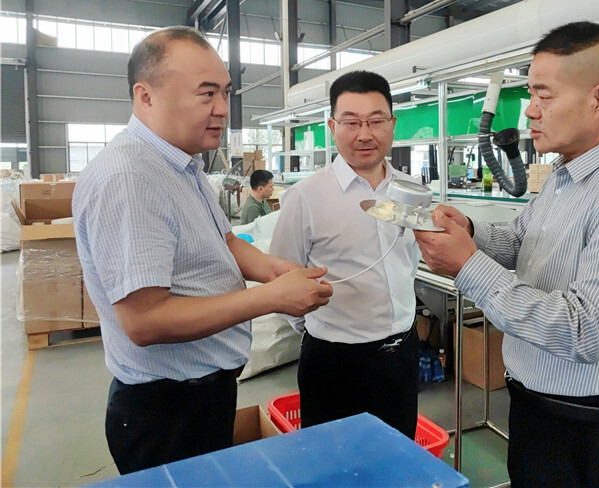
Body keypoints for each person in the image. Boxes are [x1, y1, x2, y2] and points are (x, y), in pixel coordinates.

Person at [415, 21, 599, 487]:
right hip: (535, 407)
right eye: (530, 94)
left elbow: (585, 332)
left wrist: (467, 265)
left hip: (584, 425)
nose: (530, 111)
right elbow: (520, 242)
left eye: (544, 95)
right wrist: (470, 231)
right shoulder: (565, 174)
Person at [72, 26, 333, 475]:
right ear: (145, 97)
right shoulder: (131, 179)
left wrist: (274, 270)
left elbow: (224, 241)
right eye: (206, 94)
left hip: (203, 394)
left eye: (226, 93)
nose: (223, 109)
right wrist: (271, 298)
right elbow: (146, 320)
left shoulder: (182, 163)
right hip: (168, 410)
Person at [269, 70, 421, 438]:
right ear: (332, 127)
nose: (364, 134)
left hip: (402, 354)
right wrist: (321, 333)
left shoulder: (412, 190)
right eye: (351, 122)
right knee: (332, 461)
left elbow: (410, 263)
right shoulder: (306, 196)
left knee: (399, 456)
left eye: (376, 121)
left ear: (392, 124)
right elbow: (281, 278)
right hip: (335, 362)